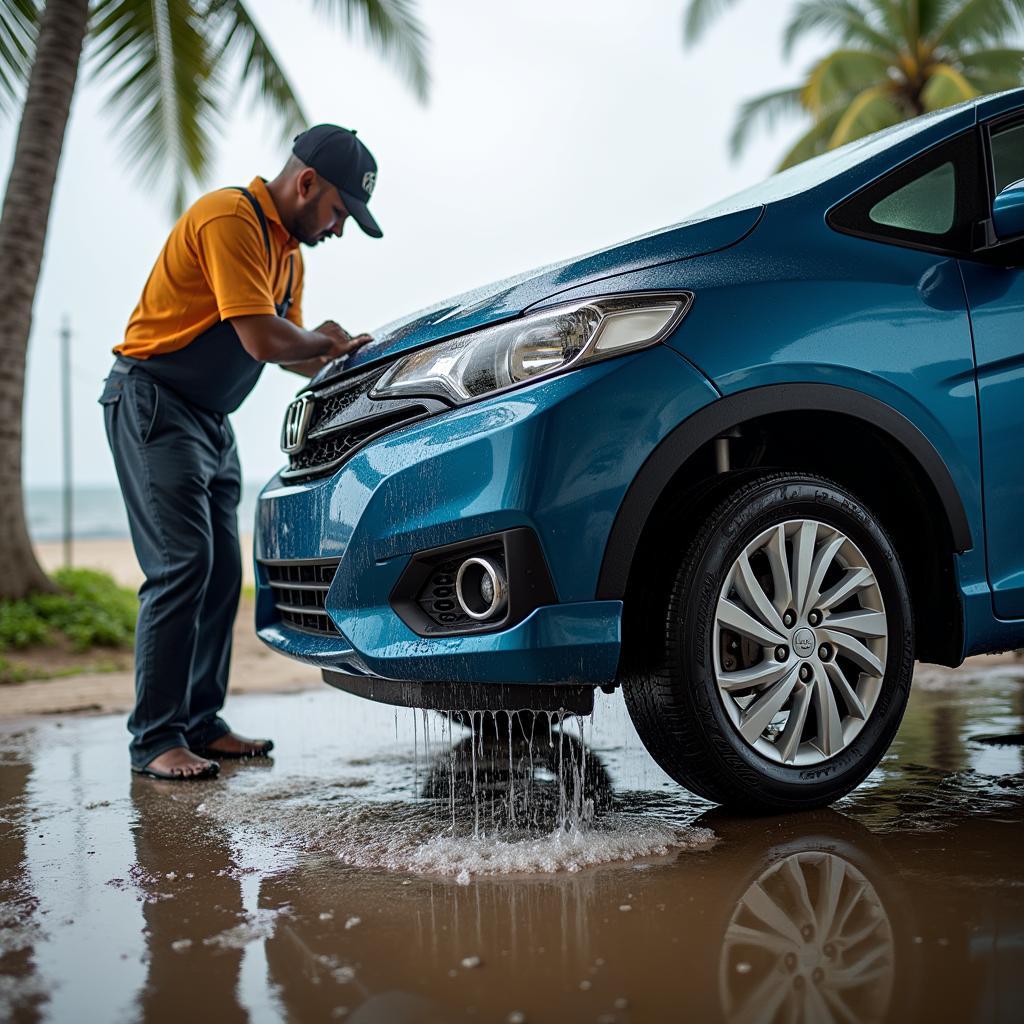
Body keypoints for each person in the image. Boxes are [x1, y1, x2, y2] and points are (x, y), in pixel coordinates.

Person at [100, 125, 379, 781]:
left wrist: (342, 361)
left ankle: (200, 723)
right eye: (339, 211)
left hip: (210, 420)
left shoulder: (291, 256)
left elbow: (287, 356)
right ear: (307, 183)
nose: (338, 228)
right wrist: (320, 340)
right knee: (182, 566)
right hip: (154, 402)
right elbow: (260, 338)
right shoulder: (231, 218)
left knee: (224, 572)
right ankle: (155, 740)